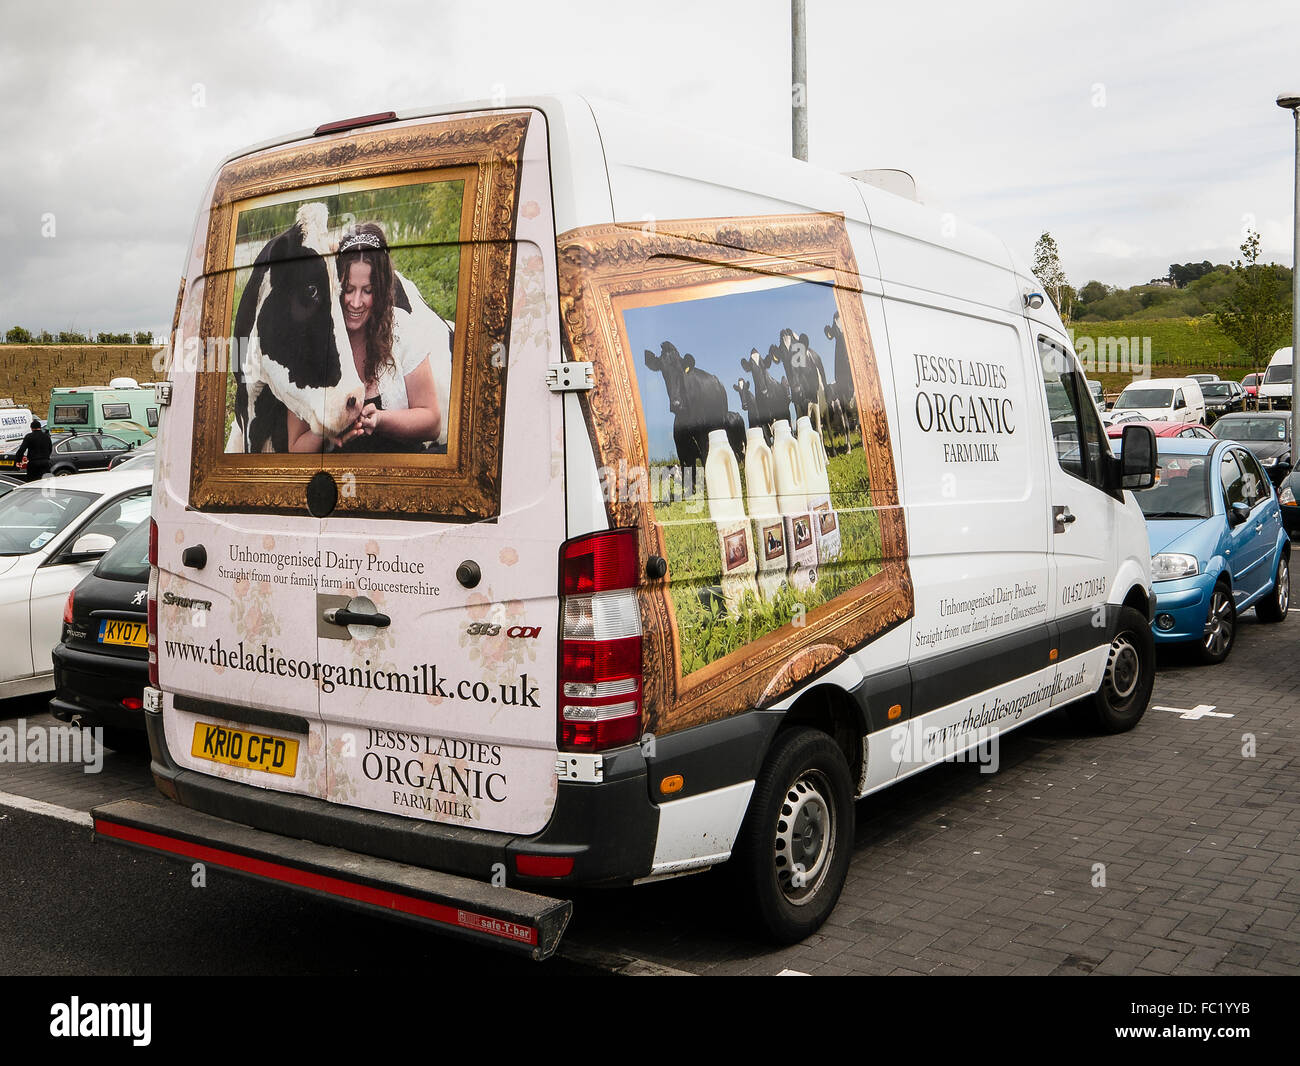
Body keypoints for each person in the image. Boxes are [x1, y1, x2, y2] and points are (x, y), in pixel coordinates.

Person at [287, 222, 441, 453]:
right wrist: (328, 432)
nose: (356, 303)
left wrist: (381, 420)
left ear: (380, 289)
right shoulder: (312, 341)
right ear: (334, 285)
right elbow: (296, 447)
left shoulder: (402, 328)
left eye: (367, 291)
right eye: (348, 289)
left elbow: (432, 422)